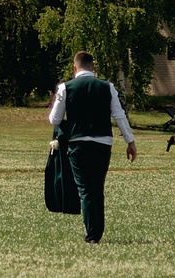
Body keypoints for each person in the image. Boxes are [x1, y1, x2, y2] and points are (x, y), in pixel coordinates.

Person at [48, 51, 135, 242]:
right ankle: (97, 229)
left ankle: (92, 234)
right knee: (97, 187)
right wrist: (130, 141)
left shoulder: (65, 87)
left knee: (85, 189)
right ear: (93, 67)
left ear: (74, 67)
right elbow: (119, 115)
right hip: (103, 142)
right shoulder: (108, 87)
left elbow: (54, 118)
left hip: (78, 143)